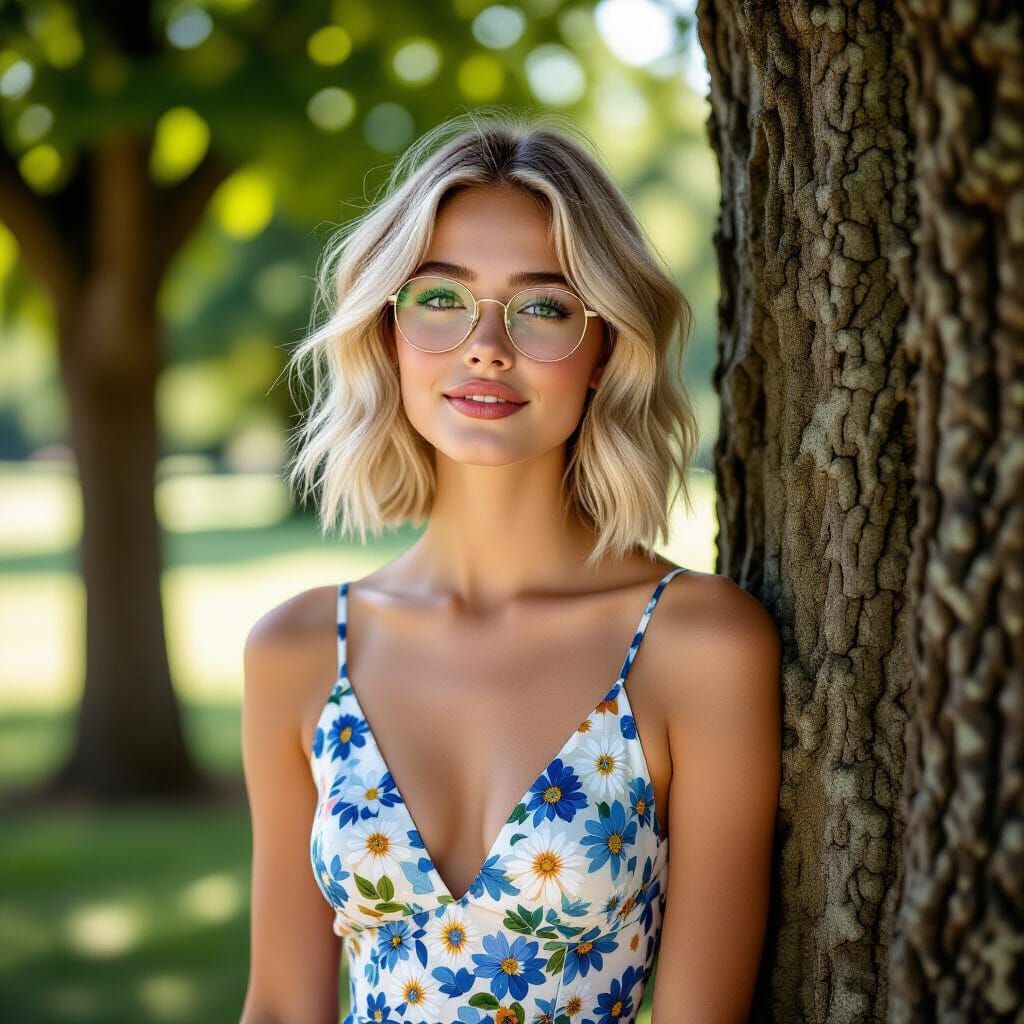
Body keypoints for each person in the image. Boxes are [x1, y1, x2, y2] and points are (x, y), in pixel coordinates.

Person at [239, 110, 781, 1024]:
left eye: (543, 307)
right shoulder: (297, 651)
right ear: (388, 332)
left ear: (606, 348)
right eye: (440, 298)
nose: (486, 345)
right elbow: (283, 1007)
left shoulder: (698, 646)